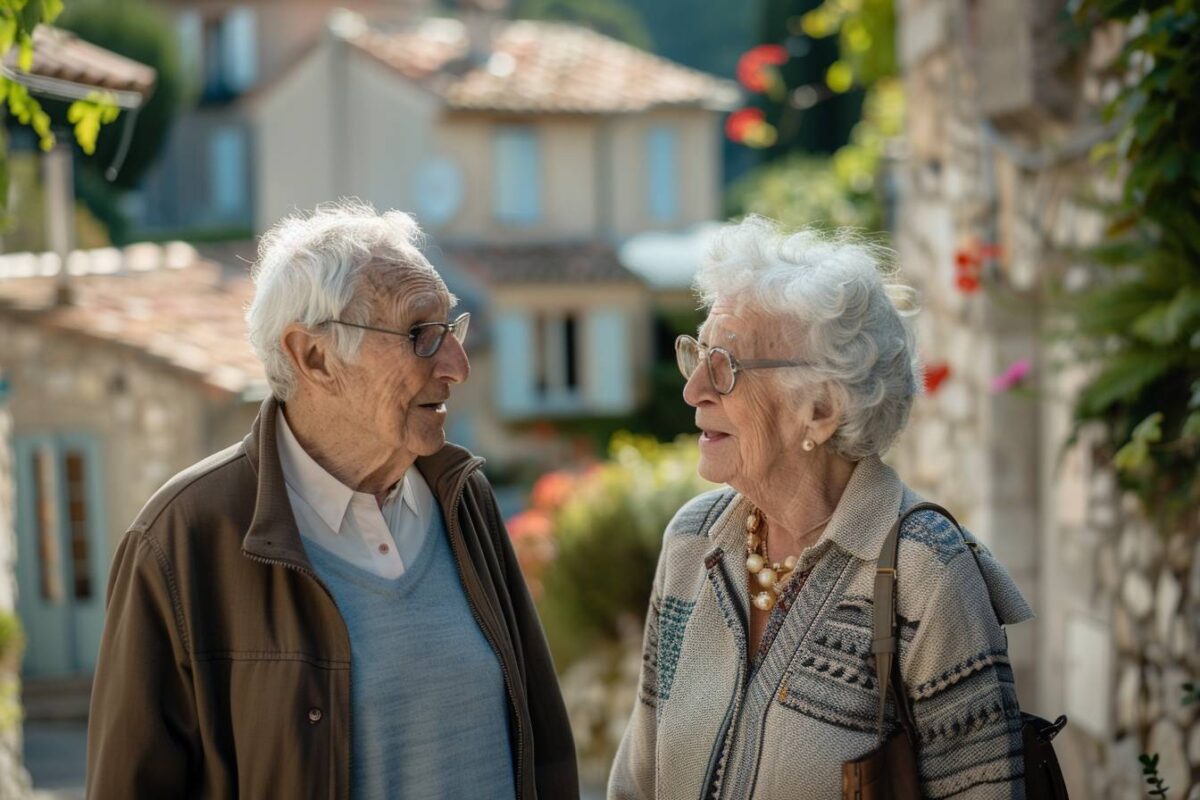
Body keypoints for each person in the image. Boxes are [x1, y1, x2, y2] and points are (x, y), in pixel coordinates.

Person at [86, 200, 578, 799]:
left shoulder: (462, 498)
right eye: (421, 335)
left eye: (452, 329)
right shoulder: (180, 541)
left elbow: (544, 748)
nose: (457, 365)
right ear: (314, 356)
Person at [608, 216, 1033, 799]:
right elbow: (638, 780)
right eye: (698, 354)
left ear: (821, 410)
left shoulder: (926, 574)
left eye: (725, 366)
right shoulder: (692, 541)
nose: (693, 390)